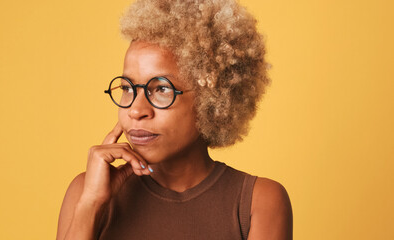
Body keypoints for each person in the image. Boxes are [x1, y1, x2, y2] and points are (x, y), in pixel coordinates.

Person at [56, 0, 293, 239]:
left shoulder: (258, 202)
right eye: (128, 88)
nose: (136, 110)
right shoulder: (86, 192)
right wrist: (90, 205)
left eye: (161, 89)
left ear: (213, 99)